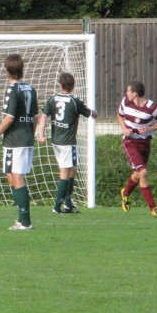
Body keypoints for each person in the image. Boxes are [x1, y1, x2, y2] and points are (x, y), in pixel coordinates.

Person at [35, 72, 97, 215]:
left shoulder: (52, 99)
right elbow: (89, 113)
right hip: (68, 143)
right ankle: (57, 207)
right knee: (65, 172)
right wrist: (95, 113)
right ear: (73, 86)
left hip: (56, 141)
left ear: (60, 85)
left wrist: (41, 135)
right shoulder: (75, 101)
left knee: (72, 169)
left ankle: (68, 204)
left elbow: (43, 117)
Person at [0, 54, 38, 231]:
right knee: (10, 175)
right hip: (25, 138)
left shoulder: (12, 89)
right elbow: (35, 117)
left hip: (14, 139)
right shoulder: (30, 89)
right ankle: (21, 218)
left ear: (7, 70)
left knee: (16, 176)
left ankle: (25, 221)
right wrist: (31, 135)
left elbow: (9, 118)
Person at [117, 80, 157, 218]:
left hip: (144, 144)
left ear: (135, 94)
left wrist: (150, 128)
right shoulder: (125, 103)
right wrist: (124, 128)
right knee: (143, 172)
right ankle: (153, 208)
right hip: (129, 142)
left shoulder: (153, 108)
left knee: (138, 174)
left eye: (128, 91)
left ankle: (125, 193)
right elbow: (120, 115)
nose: (126, 93)